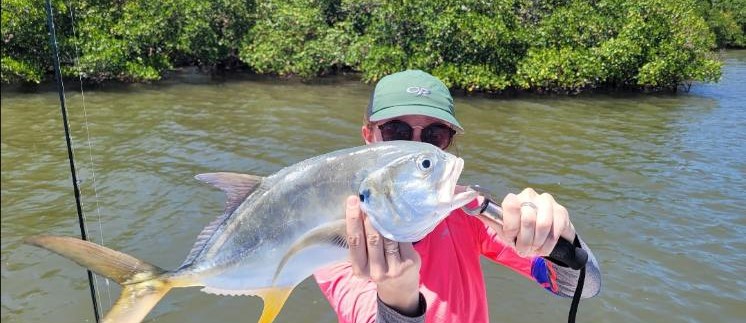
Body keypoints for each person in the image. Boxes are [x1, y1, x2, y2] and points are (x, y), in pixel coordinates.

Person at [314, 70, 602, 322]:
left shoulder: (465, 209)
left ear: (447, 143)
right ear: (368, 136)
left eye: (434, 135)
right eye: (396, 131)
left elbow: (579, 286)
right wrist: (398, 298)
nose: (417, 148)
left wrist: (557, 239)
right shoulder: (332, 230)